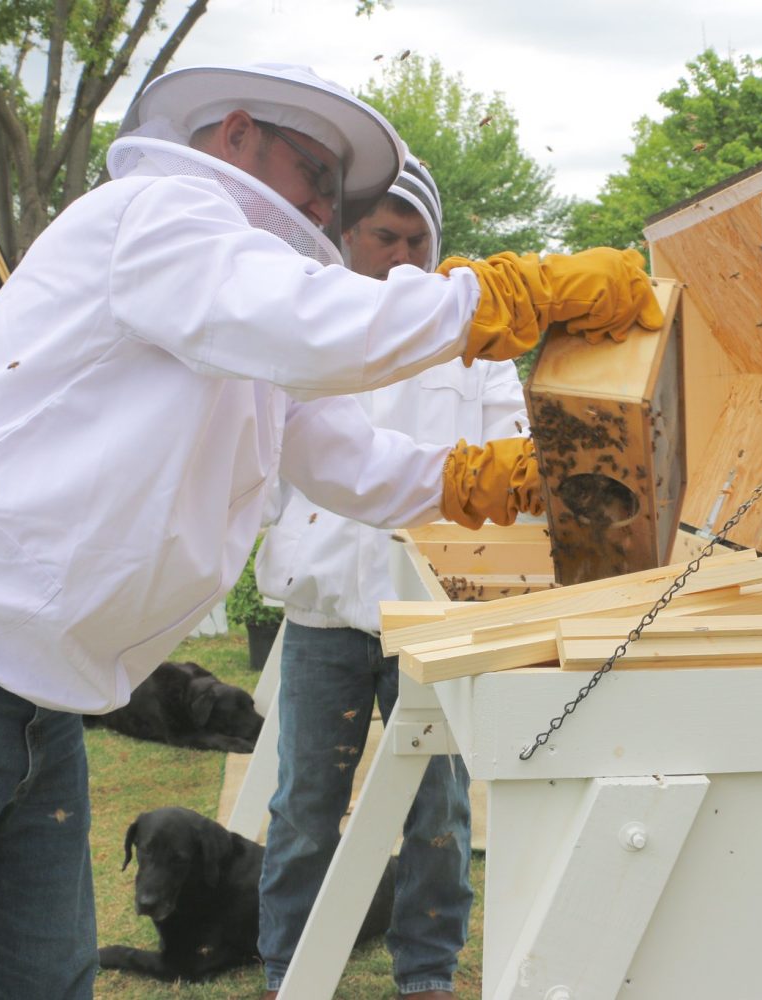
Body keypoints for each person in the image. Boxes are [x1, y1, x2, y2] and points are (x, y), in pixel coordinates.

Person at [0, 62, 662, 1000]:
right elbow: (320, 325)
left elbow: (350, 460)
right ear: (235, 134)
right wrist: (519, 291)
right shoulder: (160, 216)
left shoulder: (236, 308)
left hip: (31, 696)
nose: (325, 206)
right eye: (316, 172)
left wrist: (497, 479)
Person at [255, 155, 521, 1000]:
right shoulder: (307, 329)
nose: (403, 257)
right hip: (325, 610)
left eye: (418, 241)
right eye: (384, 237)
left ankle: (428, 973)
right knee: (306, 804)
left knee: (438, 809)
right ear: (346, 237)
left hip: (432, 613)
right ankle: (290, 969)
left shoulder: (476, 349)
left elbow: (514, 449)